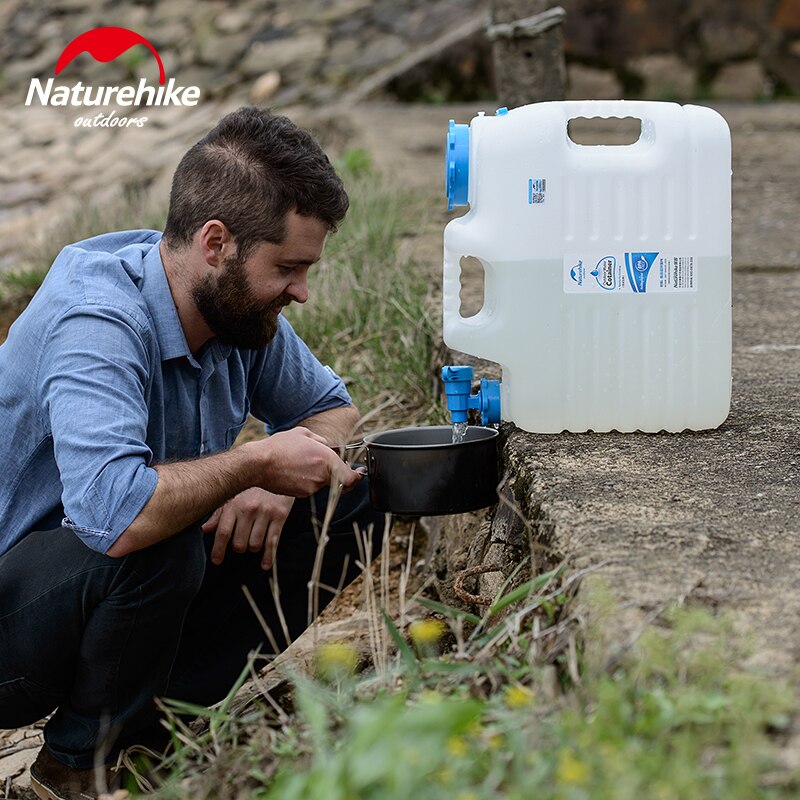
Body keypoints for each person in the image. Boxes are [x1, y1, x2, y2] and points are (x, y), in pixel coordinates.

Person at [0, 106, 385, 799]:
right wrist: (252, 464)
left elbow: (333, 410)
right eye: (288, 267)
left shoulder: (240, 313)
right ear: (217, 243)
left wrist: (273, 478)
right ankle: (75, 766)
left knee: (357, 494)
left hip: (107, 597)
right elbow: (117, 515)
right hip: (11, 629)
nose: (301, 291)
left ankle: (153, 728)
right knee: (156, 538)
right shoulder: (99, 317)